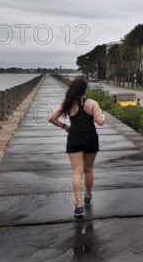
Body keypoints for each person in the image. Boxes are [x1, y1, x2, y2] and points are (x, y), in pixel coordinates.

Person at [49, 76, 106, 217]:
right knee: (88, 170)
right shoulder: (92, 103)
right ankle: (88, 195)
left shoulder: (67, 104)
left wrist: (65, 127)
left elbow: (52, 118)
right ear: (85, 89)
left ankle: (79, 205)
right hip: (91, 139)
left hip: (74, 138)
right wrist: (103, 117)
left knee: (76, 172)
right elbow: (100, 122)